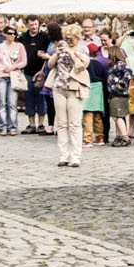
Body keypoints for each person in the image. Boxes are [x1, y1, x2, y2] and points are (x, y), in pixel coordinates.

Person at [46, 25, 88, 166]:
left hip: (74, 88)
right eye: (67, 38)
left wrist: (70, 52)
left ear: (77, 38)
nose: (69, 41)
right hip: (59, 87)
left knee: (74, 124)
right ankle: (63, 155)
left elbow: (81, 66)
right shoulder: (60, 48)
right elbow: (50, 65)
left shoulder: (82, 49)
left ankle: (76, 156)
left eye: (72, 39)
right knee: (61, 124)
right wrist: (57, 53)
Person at [0, 26, 25, 134]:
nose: (12, 35)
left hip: (13, 76)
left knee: (12, 103)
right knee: (2, 103)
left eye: (14, 34)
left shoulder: (19, 46)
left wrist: (13, 67)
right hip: (0, 76)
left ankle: (12, 126)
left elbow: (24, 61)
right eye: (10, 33)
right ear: (5, 34)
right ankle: (3, 126)